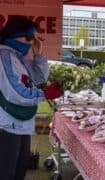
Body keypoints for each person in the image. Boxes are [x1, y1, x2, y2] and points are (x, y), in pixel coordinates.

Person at [0, 16, 63, 180]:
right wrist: (44, 94)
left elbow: (39, 78)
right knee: (7, 172)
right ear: (15, 34)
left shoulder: (17, 57)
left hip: (19, 122)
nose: (31, 42)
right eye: (29, 37)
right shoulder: (4, 56)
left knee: (19, 169)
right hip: (6, 125)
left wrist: (39, 54)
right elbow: (16, 92)